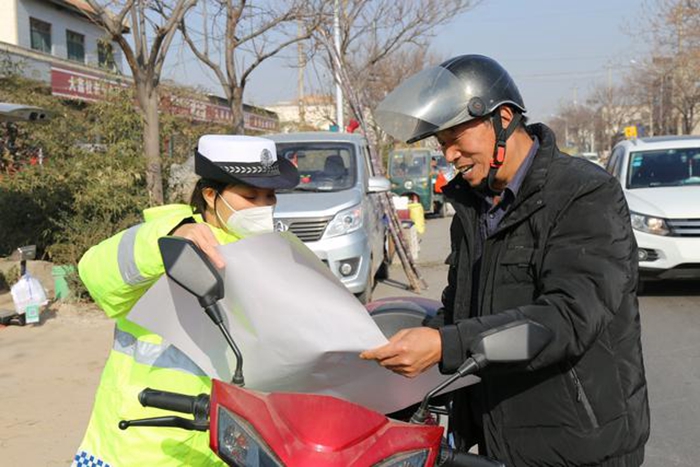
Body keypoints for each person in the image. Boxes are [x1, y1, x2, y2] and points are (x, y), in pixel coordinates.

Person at [362, 55, 650, 466]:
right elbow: (462, 309)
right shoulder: (472, 207)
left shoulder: (583, 195)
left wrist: (447, 344)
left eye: (457, 137)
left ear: (504, 118)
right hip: (499, 440)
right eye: (442, 144)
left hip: (581, 446)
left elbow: (565, 319)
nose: (452, 155)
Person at [72, 135, 299, 467]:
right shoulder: (168, 240)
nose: (263, 207)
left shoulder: (273, 252)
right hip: (147, 441)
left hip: (233, 440)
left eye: (271, 196)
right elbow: (95, 272)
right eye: (250, 196)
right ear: (210, 195)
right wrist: (165, 241)